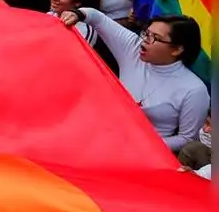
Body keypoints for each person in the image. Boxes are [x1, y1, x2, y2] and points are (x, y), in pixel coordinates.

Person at [60, 11, 208, 152]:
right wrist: (76, 14)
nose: (144, 41)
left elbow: (187, 139)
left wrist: (142, 144)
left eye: (154, 38)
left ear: (176, 49)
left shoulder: (194, 90)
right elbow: (97, 18)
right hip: (99, 135)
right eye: (146, 33)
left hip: (143, 155)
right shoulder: (133, 49)